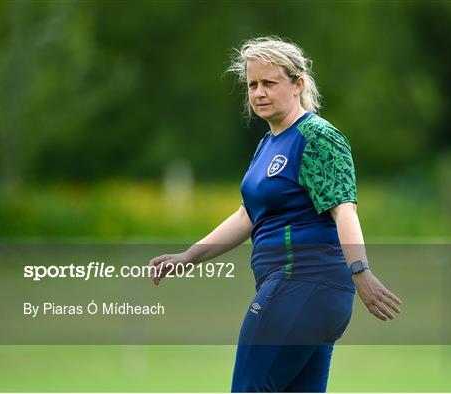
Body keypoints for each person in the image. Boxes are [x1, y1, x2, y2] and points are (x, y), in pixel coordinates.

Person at [149, 36, 402, 392]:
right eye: (253, 85)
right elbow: (246, 217)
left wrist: (361, 270)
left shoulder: (316, 136)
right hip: (299, 290)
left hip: (302, 283)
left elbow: (344, 209)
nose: (259, 93)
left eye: (270, 83)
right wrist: (188, 257)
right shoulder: (267, 144)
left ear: (298, 84)